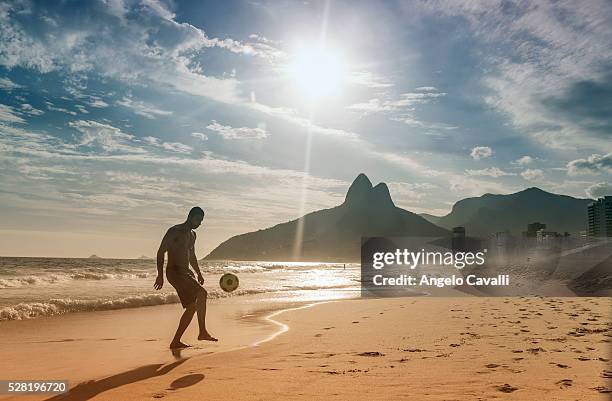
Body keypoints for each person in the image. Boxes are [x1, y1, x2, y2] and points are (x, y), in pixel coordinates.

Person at [154, 206, 218, 349]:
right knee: (202, 293)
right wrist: (159, 275)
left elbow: (192, 256)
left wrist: (199, 273)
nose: (199, 223)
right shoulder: (174, 231)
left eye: (201, 221)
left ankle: (176, 341)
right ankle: (202, 332)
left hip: (186, 272)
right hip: (174, 271)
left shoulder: (193, 235)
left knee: (192, 307)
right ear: (190, 216)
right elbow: (161, 252)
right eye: (198, 219)